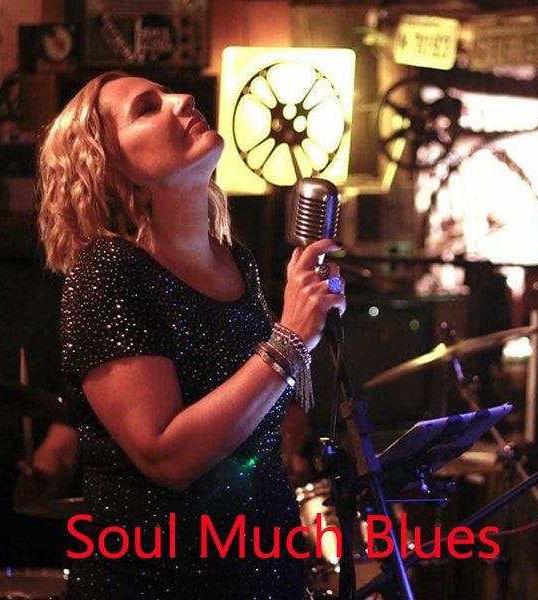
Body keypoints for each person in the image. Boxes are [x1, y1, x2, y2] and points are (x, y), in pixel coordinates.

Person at [37, 71, 345, 600]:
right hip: (159, 582)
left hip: (264, 575)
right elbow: (166, 457)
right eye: (147, 108)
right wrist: (289, 340)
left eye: (170, 94)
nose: (183, 100)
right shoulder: (108, 272)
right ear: (111, 169)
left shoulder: (238, 261)